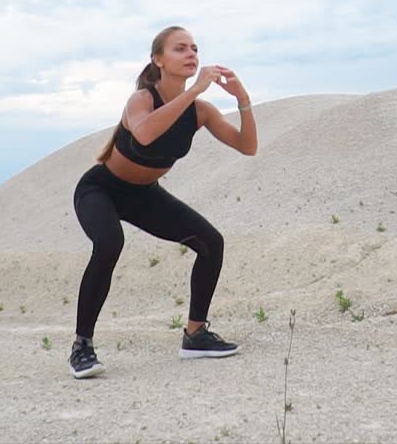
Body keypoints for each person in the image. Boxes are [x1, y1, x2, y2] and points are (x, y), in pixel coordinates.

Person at [68, 25, 258, 379]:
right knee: (109, 243)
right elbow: (145, 132)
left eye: (195, 48)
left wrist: (242, 98)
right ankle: (82, 346)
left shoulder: (200, 111)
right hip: (101, 189)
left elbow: (247, 146)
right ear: (158, 60)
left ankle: (195, 335)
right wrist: (196, 89)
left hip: (144, 195)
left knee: (211, 242)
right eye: (180, 49)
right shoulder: (142, 99)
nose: (191, 54)